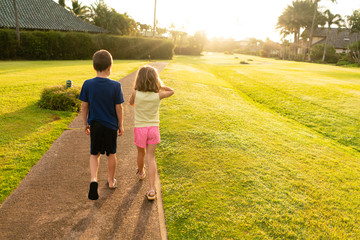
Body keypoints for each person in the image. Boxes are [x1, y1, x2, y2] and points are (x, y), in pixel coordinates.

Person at [79, 50, 124, 200]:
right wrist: (121, 125)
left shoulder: (88, 84)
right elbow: (119, 108)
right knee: (111, 153)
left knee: (94, 154)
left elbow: (84, 106)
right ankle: (111, 181)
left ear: (93, 67)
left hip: (95, 125)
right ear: (110, 66)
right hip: (111, 126)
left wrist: (85, 123)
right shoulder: (116, 86)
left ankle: (93, 179)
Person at [129, 65, 174, 200]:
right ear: (155, 80)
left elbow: (131, 103)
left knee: (140, 153)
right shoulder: (158, 95)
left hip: (140, 128)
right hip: (153, 129)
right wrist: (161, 85)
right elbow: (172, 91)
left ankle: (141, 173)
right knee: (151, 157)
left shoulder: (136, 93)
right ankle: (152, 189)